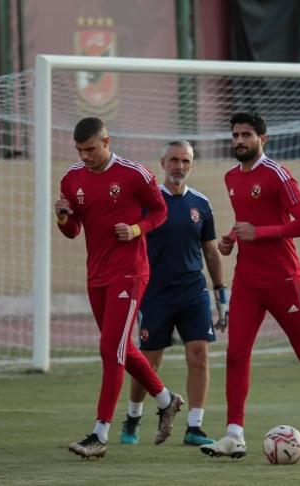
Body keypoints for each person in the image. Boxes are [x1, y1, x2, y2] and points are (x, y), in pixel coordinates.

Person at [199, 112, 300, 460]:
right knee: (236, 353)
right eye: (235, 135)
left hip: (283, 279)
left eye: (246, 135)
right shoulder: (231, 177)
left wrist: (259, 233)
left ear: (262, 139)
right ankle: (234, 434)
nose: (239, 141)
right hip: (247, 281)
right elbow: (248, 221)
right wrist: (232, 239)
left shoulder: (278, 174)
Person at [56, 117, 184, 459]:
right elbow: (73, 231)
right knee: (120, 348)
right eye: (80, 150)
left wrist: (137, 229)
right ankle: (167, 400)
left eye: (90, 149)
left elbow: (160, 212)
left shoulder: (134, 174)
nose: (85, 156)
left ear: (107, 142)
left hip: (130, 272)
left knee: (110, 347)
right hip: (96, 275)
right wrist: (63, 217)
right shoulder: (71, 178)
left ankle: (99, 434)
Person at [120, 140, 228, 447]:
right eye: (174, 160)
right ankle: (133, 416)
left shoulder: (201, 204)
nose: (179, 166)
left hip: (193, 292)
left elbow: (211, 252)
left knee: (199, 355)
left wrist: (221, 294)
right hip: (154, 294)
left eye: (185, 161)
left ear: (191, 165)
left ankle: (195, 427)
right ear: (163, 163)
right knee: (149, 362)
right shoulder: (148, 203)